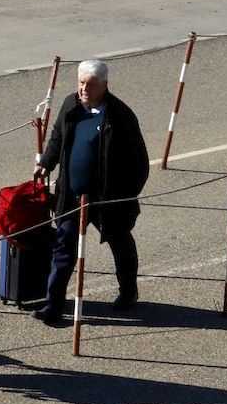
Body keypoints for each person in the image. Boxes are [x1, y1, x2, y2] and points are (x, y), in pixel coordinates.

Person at [31, 59, 149, 326]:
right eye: (81, 83)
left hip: (108, 199)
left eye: (90, 85)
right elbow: (58, 137)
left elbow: (139, 164)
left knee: (120, 245)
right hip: (72, 197)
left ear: (104, 85)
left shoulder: (120, 115)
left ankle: (128, 292)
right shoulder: (71, 105)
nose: (84, 89)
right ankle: (53, 306)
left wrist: (125, 196)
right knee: (63, 248)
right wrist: (46, 163)